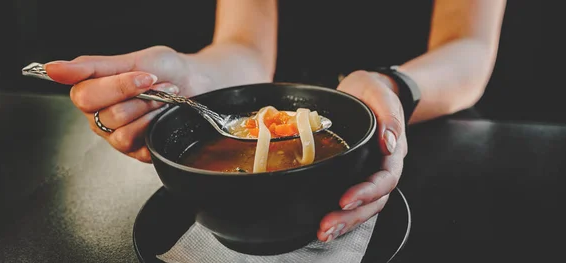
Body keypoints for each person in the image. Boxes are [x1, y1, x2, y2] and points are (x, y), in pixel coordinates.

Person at [42, 0, 506, 243]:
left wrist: (394, 88)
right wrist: (200, 77)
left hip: (418, 126)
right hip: (271, 113)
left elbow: (468, 48)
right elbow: (244, 44)